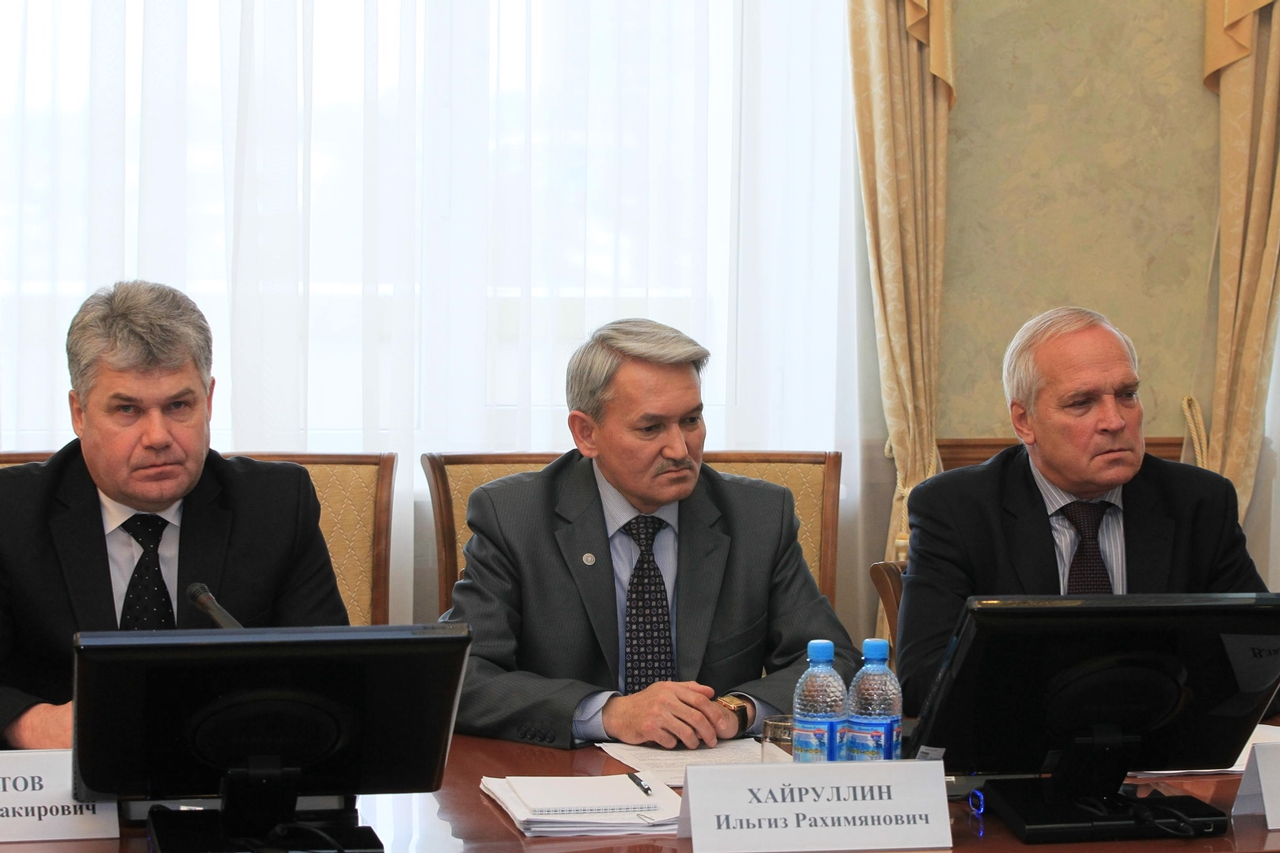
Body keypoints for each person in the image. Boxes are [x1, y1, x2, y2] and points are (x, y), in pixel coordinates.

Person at [442, 318, 859, 749]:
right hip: (568, 774)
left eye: (691, 420)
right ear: (586, 433)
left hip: (712, 769)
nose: (680, 449)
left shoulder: (759, 517)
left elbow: (837, 664)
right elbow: (463, 676)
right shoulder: (514, 517)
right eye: (651, 428)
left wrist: (735, 710)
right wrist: (608, 713)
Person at [0, 281, 349, 749]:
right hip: (66, 781)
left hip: (227, 767)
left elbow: (330, 673)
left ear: (209, 399)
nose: (158, 437)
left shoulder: (276, 506)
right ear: (79, 413)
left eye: (179, 405)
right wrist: (29, 723)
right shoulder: (11, 513)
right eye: (128, 409)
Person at [896, 306, 1268, 715]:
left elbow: (1261, 658)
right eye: (1081, 402)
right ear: (1024, 421)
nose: (1115, 420)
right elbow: (924, 680)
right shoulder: (956, 509)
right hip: (1020, 748)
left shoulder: (1199, 501)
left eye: (1127, 395)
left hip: (1166, 742)